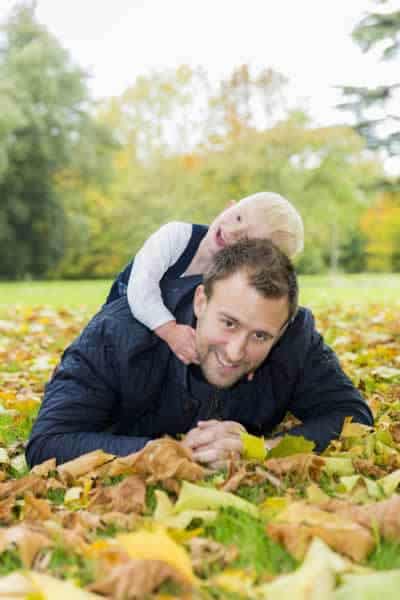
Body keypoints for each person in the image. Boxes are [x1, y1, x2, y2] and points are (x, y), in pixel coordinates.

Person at [26, 239, 373, 468]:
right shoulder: (116, 332)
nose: (236, 352)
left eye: (260, 335)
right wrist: (169, 453)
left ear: (281, 331)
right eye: (229, 323)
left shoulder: (297, 336)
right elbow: (48, 441)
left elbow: (352, 417)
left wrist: (259, 449)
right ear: (201, 301)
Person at [105, 191, 304, 366]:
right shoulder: (175, 236)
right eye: (238, 218)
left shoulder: (233, 282)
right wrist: (170, 331)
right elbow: (141, 289)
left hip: (162, 352)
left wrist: (250, 364)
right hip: (119, 327)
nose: (233, 232)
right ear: (229, 207)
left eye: (246, 241)